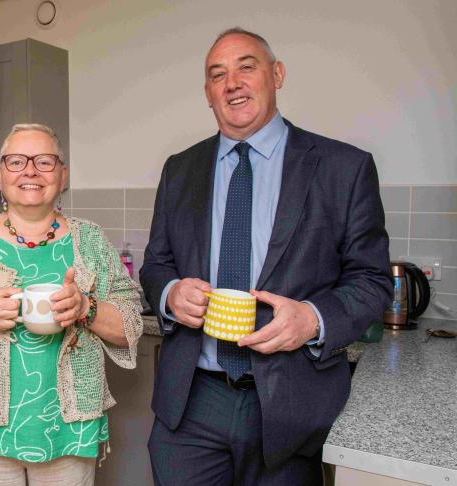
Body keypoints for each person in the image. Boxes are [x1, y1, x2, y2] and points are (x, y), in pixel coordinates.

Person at [140, 28, 391, 485]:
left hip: (290, 404)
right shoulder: (179, 169)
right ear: (208, 94)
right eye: (218, 75)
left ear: (276, 75)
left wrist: (312, 320)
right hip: (191, 405)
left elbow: (372, 280)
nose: (232, 82)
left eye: (246, 67)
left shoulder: (344, 168)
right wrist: (172, 293)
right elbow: (156, 265)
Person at [0, 123, 142, 486]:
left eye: (45, 161)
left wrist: (86, 308)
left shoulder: (92, 242)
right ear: (1, 174)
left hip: (70, 433)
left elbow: (131, 326)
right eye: (17, 161)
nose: (31, 171)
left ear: (63, 174)